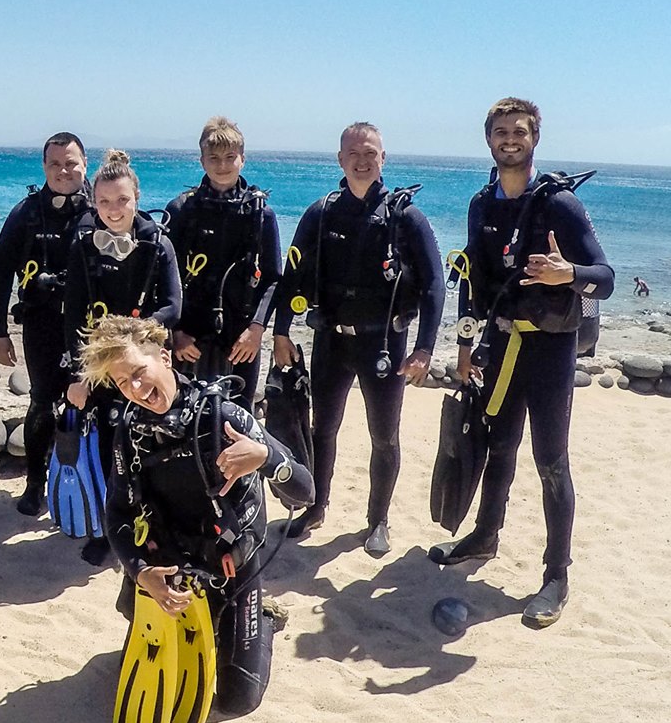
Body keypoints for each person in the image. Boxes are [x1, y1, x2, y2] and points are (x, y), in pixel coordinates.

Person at [80, 314, 313, 723]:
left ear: (165, 357)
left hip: (232, 568)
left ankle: (261, 613)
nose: (135, 390)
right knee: (143, 674)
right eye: (121, 383)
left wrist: (265, 459)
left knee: (236, 699)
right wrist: (140, 571)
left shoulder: (224, 417)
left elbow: (304, 491)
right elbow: (116, 514)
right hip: (174, 569)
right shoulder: (130, 433)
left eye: (138, 373)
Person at [434, 98, 614, 630]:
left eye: (519, 131)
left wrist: (569, 273)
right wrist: (466, 344)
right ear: (488, 139)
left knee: (551, 460)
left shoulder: (559, 206)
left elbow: (605, 277)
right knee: (496, 446)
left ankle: (557, 573)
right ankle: (486, 535)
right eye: (500, 132)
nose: (509, 139)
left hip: (551, 349)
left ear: (535, 138)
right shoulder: (482, 205)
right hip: (501, 346)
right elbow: (471, 280)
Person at [270, 123, 445, 555]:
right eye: (353, 153)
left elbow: (434, 285)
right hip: (331, 341)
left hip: (383, 345)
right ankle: (316, 505)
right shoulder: (322, 212)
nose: (361, 160)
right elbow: (291, 276)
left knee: (384, 436)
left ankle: (378, 519)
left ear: (383, 158)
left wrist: (425, 348)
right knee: (321, 429)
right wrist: (280, 332)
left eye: (370, 153)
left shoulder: (406, 218)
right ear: (340, 159)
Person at [63, 151, 182, 563]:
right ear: (94, 203)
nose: (114, 211)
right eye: (105, 202)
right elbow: (72, 313)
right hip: (101, 368)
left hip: (144, 363)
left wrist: (135, 336)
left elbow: (172, 305)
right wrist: (79, 374)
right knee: (107, 449)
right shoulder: (83, 247)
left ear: (137, 198)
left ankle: (154, 525)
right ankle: (107, 529)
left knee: (150, 447)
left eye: (122, 201)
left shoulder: (157, 243)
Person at [0, 132, 92, 515]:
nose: (64, 171)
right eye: (55, 164)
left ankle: (87, 484)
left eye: (71, 163)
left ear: (85, 163)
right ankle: (34, 482)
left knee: (92, 406)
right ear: (44, 167)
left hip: (92, 332)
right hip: (42, 324)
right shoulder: (27, 213)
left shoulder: (103, 208)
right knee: (42, 403)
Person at [163, 116, 281, 408]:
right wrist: (175, 332)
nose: (222, 165)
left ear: (243, 159)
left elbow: (274, 279)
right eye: (213, 157)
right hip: (189, 335)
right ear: (202, 161)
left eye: (230, 157)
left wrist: (256, 329)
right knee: (182, 419)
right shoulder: (182, 210)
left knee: (239, 421)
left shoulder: (260, 214)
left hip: (241, 337)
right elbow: (162, 277)